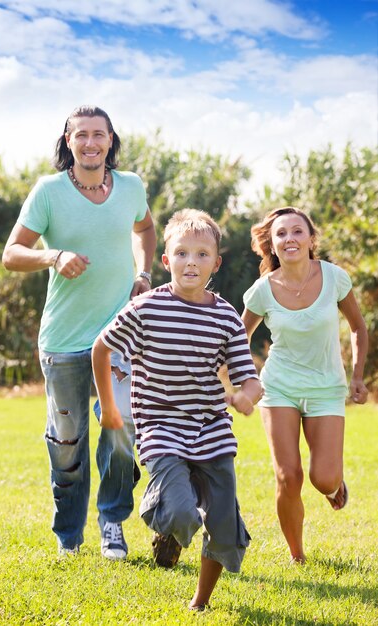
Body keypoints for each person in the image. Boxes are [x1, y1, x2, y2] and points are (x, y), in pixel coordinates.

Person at [2, 105, 156, 559]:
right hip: (64, 342)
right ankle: (69, 533)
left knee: (122, 427)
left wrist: (143, 273)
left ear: (111, 140)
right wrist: (53, 257)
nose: (91, 143)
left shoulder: (130, 187)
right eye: (81, 135)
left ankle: (112, 522)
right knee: (67, 445)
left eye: (99, 135)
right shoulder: (48, 192)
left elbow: (144, 227)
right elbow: (12, 253)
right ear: (68, 141)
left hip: (118, 339)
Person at [92, 208, 262, 610]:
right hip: (161, 425)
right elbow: (102, 348)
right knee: (183, 513)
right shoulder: (146, 308)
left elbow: (249, 378)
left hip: (211, 428)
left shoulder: (226, 318)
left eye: (203, 254)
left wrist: (246, 397)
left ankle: (199, 603)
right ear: (166, 260)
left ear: (216, 263)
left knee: (223, 526)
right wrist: (111, 408)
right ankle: (169, 525)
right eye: (182, 253)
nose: (192, 262)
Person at [242, 206, 368, 564]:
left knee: (322, 477)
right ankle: (297, 555)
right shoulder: (262, 290)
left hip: (327, 387)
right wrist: (246, 379)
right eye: (281, 234)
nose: (289, 239)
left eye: (297, 232)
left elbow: (358, 327)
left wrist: (357, 376)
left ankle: (334, 486)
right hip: (279, 386)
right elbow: (238, 337)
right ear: (272, 244)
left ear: (312, 240)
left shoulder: (334, 278)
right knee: (288, 474)